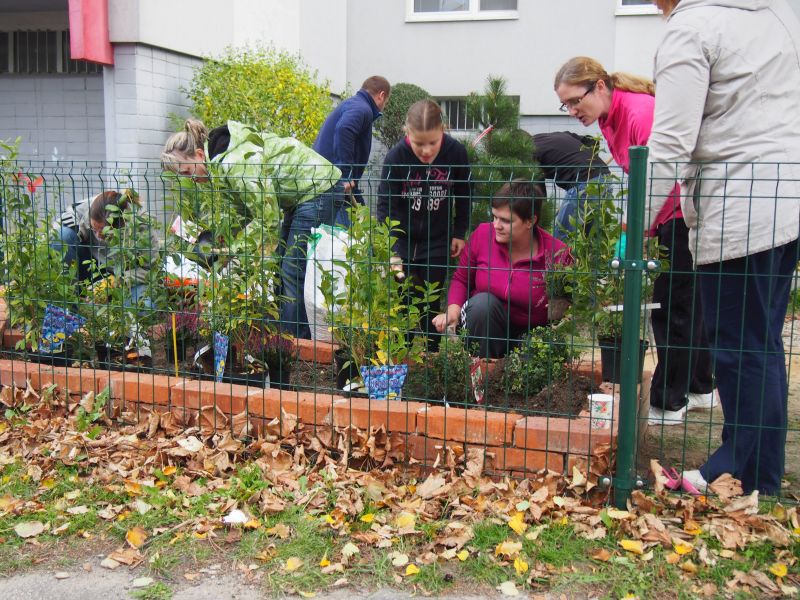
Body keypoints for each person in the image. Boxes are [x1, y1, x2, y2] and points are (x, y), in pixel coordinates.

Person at [646, 0, 800, 495]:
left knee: (738, 349)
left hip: (739, 212)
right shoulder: (774, 12)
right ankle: (760, 478)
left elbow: (669, 143)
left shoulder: (691, 29)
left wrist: (633, 225)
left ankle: (732, 470)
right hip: (786, 202)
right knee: (761, 345)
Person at [554, 56, 715, 426]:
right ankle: (701, 387)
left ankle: (670, 400)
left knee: (672, 308)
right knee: (687, 304)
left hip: (679, 216)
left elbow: (666, 177)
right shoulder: (610, 118)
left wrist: (639, 228)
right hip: (663, 217)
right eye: (565, 105)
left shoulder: (639, 113)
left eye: (576, 101)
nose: (572, 111)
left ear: (598, 87)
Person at [161, 119, 342, 339]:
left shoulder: (235, 163)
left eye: (188, 172)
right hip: (299, 195)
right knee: (281, 265)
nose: (192, 179)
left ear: (200, 154)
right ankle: (285, 334)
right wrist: (219, 239)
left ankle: (294, 342)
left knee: (292, 269)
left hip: (318, 187)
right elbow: (241, 211)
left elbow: (268, 217)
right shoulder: (219, 165)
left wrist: (234, 251)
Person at [432, 179, 571, 359]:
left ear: (530, 221)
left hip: (531, 333)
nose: (496, 225)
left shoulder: (557, 254)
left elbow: (567, 306)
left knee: (541, 351)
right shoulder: (482, 235)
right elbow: (461, 279)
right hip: (486, 327)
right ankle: (482, 373)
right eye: (494, 216)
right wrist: (452, 311)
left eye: (506, 220)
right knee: (482, 304)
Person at [376, 99, 472, 346]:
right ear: (407, 133)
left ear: (443, 130)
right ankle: (403, 351)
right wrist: (391, 249)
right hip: (403, 239)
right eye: (419, 144)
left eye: (433, 142)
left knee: (431, 299)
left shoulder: (456, 153)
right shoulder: (396, 157)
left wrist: (459, 232)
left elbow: (464, 196)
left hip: (437, 239)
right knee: (403, 300)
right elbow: (385, 205)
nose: (427, 151)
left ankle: (431, 352)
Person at [53, 190, 160, 363]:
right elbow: (54, 238)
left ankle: (122, 342)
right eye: (95, 229)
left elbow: (150, 269)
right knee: (61, 237)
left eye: (104, 232)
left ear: (122, 225)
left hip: (128, 277)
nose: (99, 236)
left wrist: (117, 281)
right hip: (93, 269)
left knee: (143, 307)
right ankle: (71, 308)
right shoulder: (81, 211)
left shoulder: (141, 226)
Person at [313, 76, 391, 226]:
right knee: (346, 238)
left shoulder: (354, 104)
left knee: (362, 225)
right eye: (386, 102)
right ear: (381, 95)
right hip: (335, 183)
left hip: (335, 181)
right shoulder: (362, 108)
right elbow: (344, 129)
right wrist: (345, 175)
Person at [532, 131, 611, 241]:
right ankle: (592, 258)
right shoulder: (556, 135)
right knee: (591, 236)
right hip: (605, 177)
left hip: (583, 184)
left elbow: (538, 191)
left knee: (562, 234)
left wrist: (542, 214)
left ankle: (558, 259)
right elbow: (591, 140)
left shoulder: (530, 152)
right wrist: (590, 163)